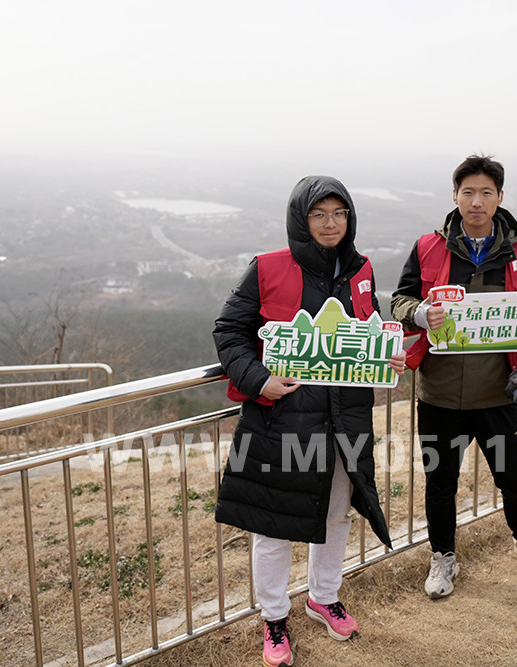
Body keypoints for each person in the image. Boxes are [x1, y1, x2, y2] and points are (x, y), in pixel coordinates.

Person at [213, 175, 405, 667]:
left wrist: (387, 356)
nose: (330, 223)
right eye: (318, 214)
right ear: (301, 219)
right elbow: (229, 330)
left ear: (350, 218)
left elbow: (366, 332)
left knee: (337, 513)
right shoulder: (268, 267)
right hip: (282, 421)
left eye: (339, 213)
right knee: (273, 525)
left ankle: (324, 596)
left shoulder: (360, 268)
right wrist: (258, 381)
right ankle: (274, 617)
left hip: (346, 419)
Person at [390, 154, 517, 600]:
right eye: (468, 192)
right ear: (455, 196)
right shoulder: (428, 247)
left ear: (500, 197)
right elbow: (399, 301)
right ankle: (443, 556)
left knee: (515, 475)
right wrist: (421, 314)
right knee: (440, 482)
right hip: (440, 392)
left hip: (500, 391)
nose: (477, 201)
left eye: (486, 192)